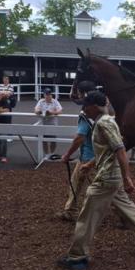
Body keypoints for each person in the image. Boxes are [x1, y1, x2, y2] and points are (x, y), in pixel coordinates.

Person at [57, 90, 135, 270]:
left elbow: (120, 149)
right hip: (112, 177)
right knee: (126, 205)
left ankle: (77, 257)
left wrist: (127, 177)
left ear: (93, 107)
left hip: (106, 178)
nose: (84, 110)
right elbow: (108, 151)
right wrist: (90, 164)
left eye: (85, 106)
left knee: (87, 217)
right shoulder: (107, 121)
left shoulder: (103, 123)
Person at [57, 81, 97, 222]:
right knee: (76, 182)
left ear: (83, 94)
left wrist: (67, 154)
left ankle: (125, 215)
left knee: (106, 191)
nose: (77, 95)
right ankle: (70, 210)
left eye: (78, 92)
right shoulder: (105, 107)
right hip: (93, 155)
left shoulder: (86, 113)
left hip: (90, 157)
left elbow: (80, 137)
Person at [34, 88, 62, 156]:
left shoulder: (55, 101)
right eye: (46, 94)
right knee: (44, 140)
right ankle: (47, 154)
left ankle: (52, 154)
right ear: (44, 95)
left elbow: (60, 111)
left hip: (53, 124)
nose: (48, 96)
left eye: (49, 94)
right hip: (43, 124)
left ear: (51, 95)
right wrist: (39, 112)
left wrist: (51, 112)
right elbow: (35, 110)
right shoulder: (41, 101)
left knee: (53, 140)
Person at [0, 76, 16, 143]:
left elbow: (9, 94)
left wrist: (2, 94)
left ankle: (9, 136)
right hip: (0, 105)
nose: (5, 80)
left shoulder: (11, 86)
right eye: (4, 79)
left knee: (8, 120)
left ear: (8, 80)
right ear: (3, 80)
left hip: (8, 105)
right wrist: (4, 94)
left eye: (6, 79)